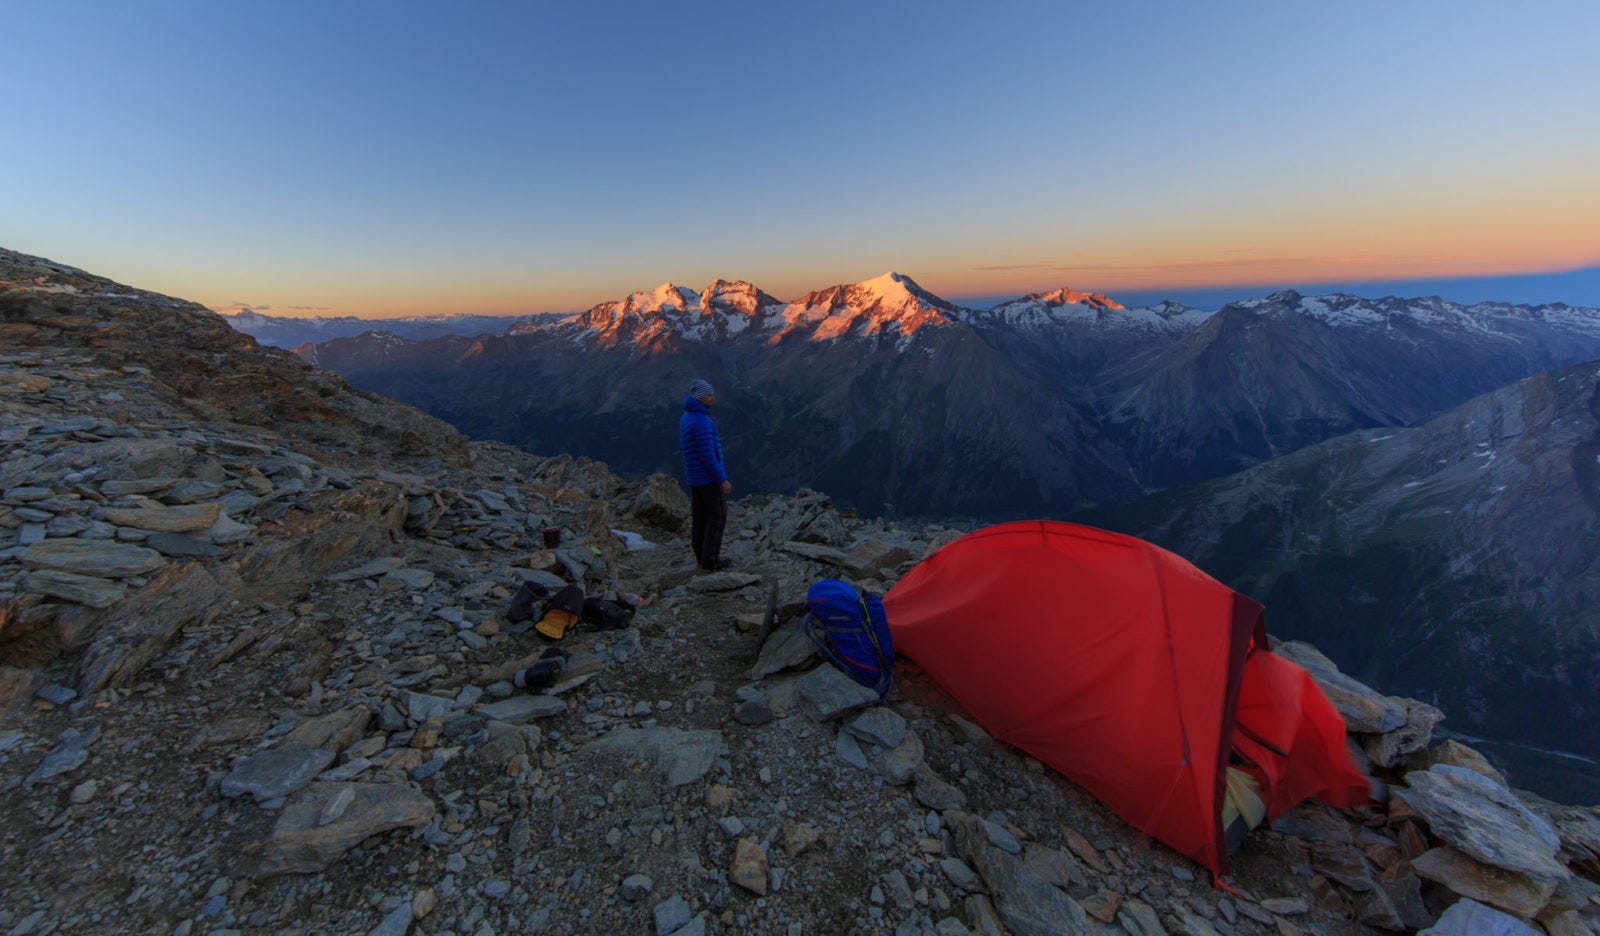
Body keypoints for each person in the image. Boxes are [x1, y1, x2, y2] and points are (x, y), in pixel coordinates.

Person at [679, 377, 732, 571]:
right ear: (700, 397)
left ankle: (700, 555)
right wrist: (721, 479)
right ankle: (711, 559)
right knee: (717, 515)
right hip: (708, 478)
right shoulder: (701, 421)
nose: (713, 398)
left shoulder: (687, 417)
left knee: (700, 517)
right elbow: (708, 455)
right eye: (709, 395)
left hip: (694, 477)